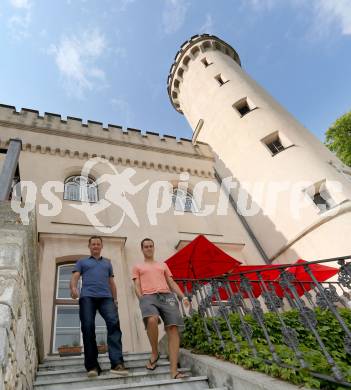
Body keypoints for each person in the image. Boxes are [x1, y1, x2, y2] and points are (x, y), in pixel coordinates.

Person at [132, 238, 190, 379]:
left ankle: (174, 371)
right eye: (146, 246)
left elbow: (171, 282)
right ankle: (154, 352)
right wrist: (141, 298)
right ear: (142, 249)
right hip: (148, 296)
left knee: (173, 328)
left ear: (154, 248)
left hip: (167, 296)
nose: (149, 248)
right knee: (152, 320)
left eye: (151, 246)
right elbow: (136, 285)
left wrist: (183, 297)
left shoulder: (163, 265)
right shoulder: (138, 266)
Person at [70, 235, 128, 378]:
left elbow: (111, 283)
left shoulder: (107, 263)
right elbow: (75, 277)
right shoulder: (82, 262)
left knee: (114, 324)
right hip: (87, 297)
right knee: (88, 327)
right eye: (93, 244)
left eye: (98, 244)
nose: (95, 246)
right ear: (89, 246)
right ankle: (92, 366)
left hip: (106, 298)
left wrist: (115, 300)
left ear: (101, 246)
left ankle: (117, 363)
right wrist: (73, 288)